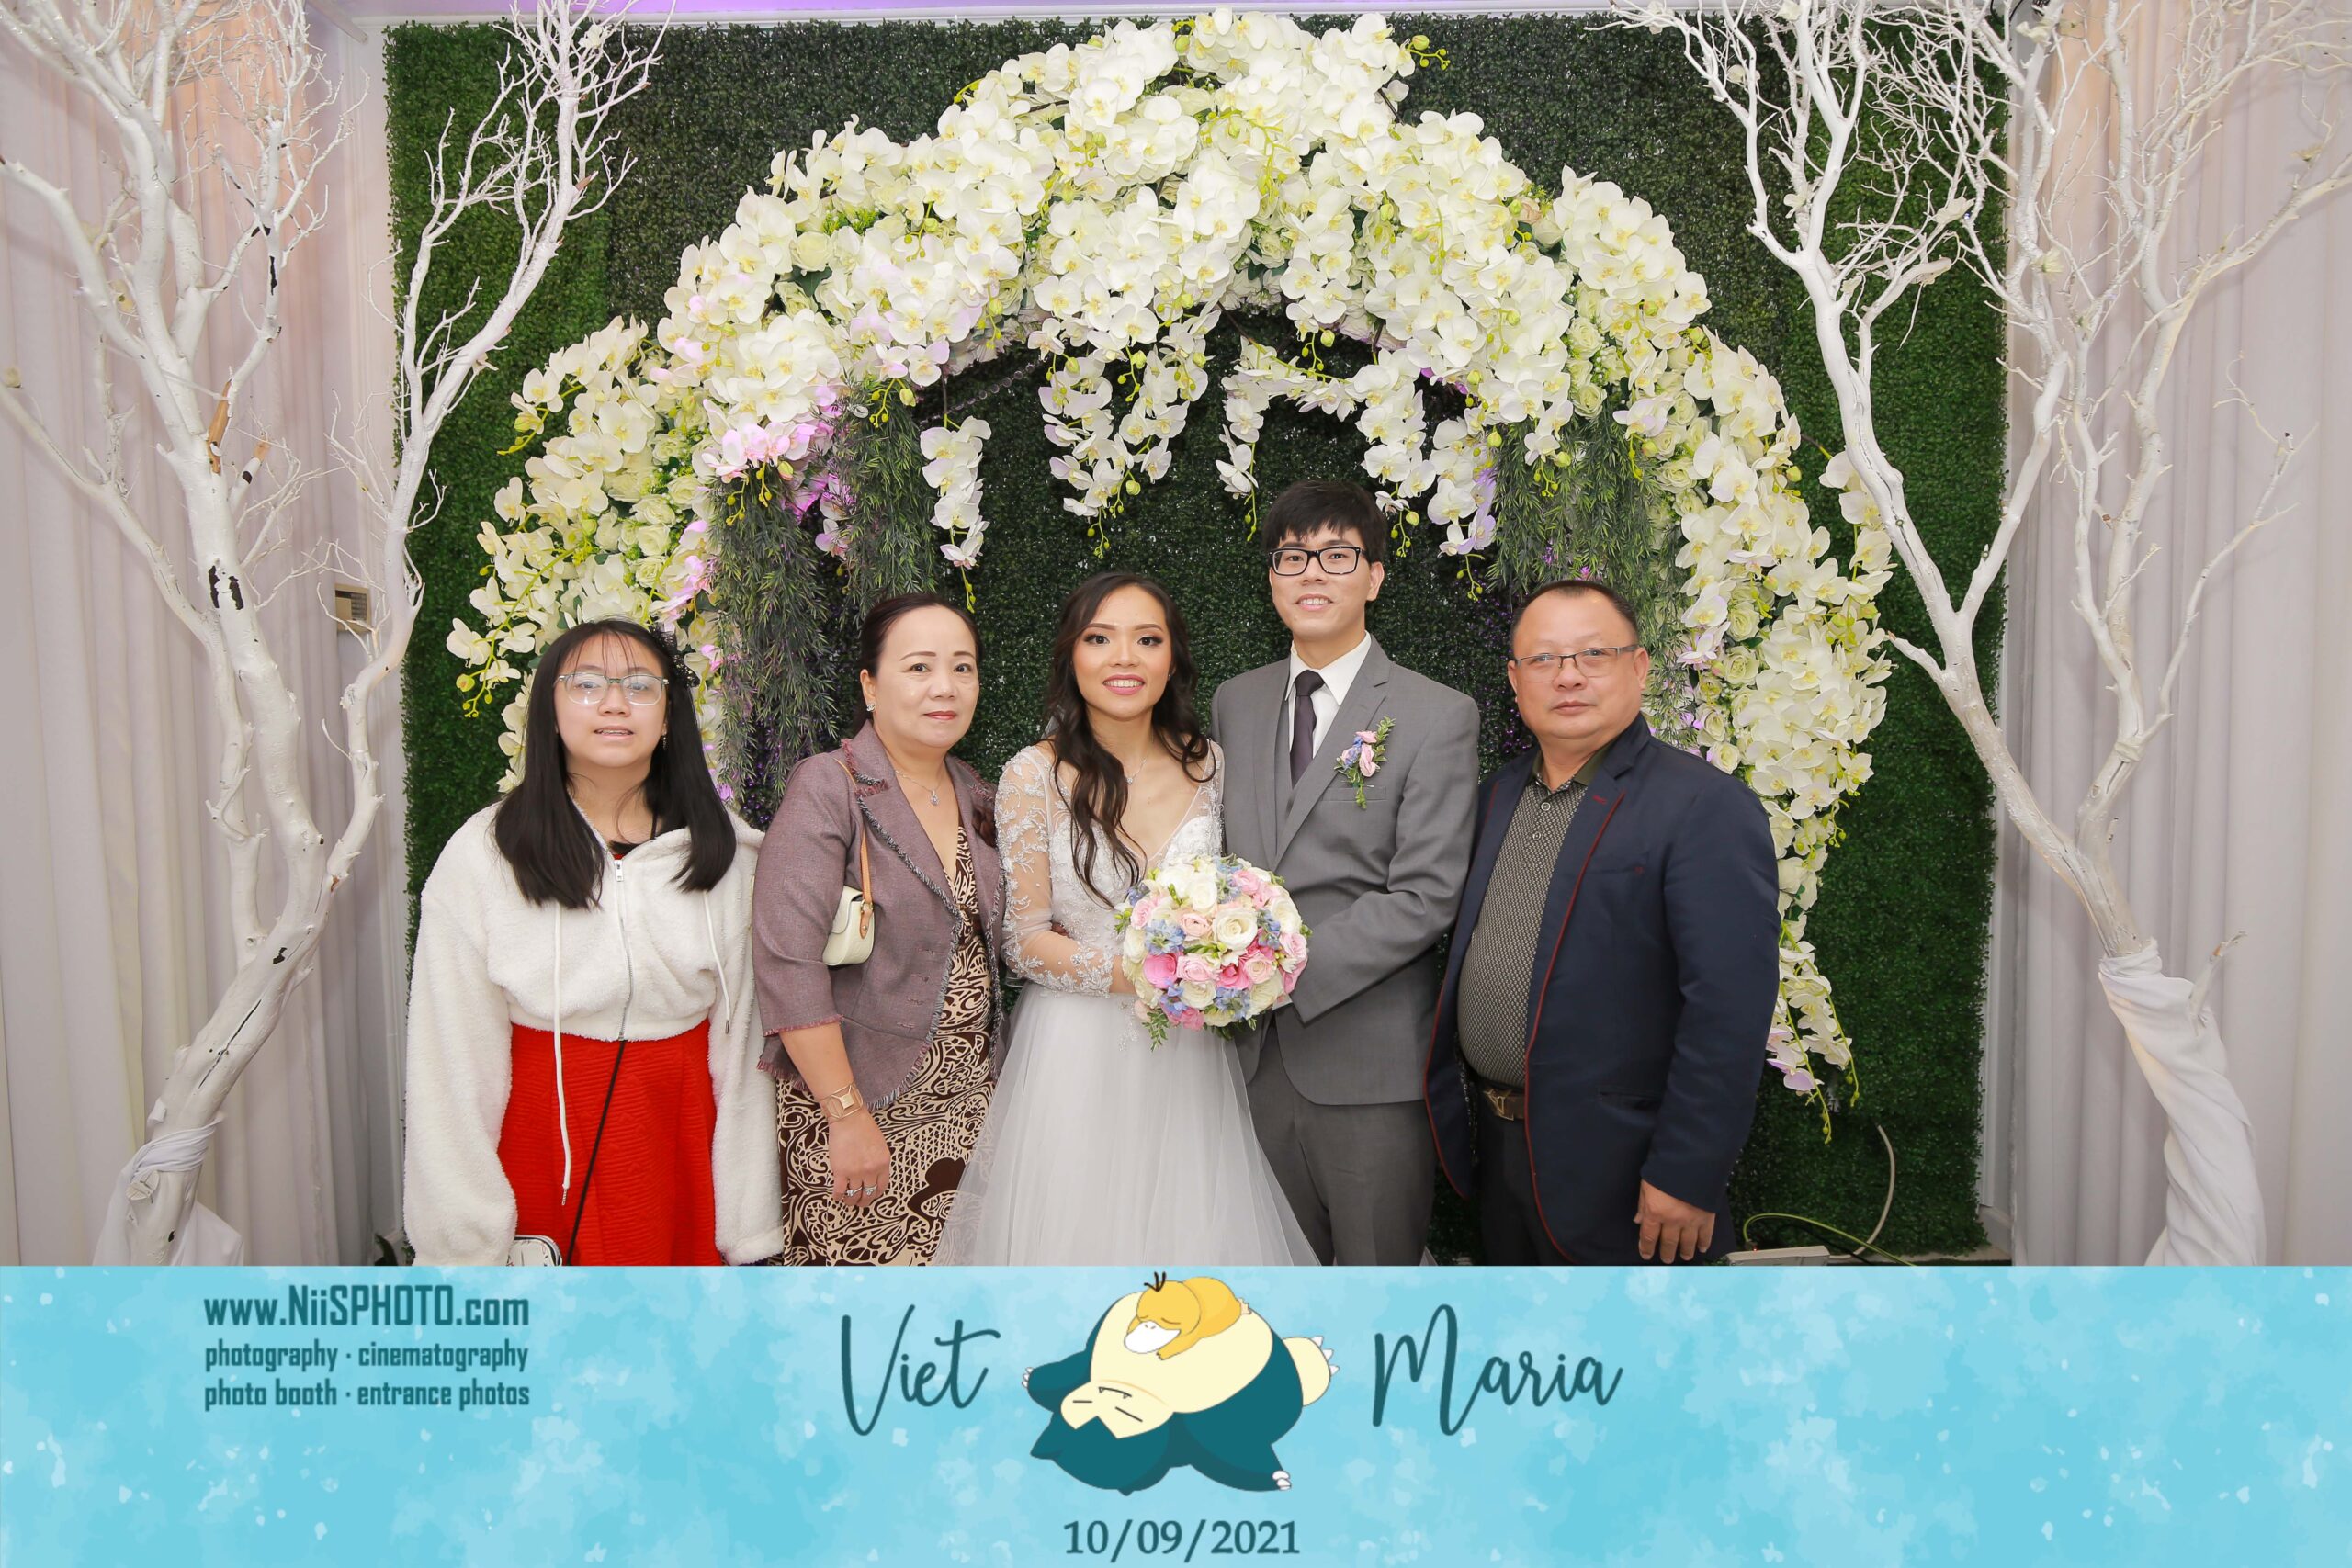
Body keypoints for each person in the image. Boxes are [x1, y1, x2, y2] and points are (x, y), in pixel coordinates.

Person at [935, 573, 1318, 1266]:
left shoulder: (1210, 764)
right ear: (1071, 655)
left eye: (1147, 640)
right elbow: (1024, 941)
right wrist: (1157, 977)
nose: (1124, 658)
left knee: (1193, 1245)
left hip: (1188, 1055)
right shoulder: (1032, 775)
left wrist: (1223, 965)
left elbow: (1235, 890)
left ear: (1173, 659)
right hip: (1074, 1050)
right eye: (1099, 638)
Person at [403, 619, 780, 1266]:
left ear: (670, 716)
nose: (613, 703)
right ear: (549, 711)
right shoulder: (484, 855)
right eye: (586, 684)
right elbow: (449, 1058)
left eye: (639, 685)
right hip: (541, 1137)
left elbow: (744, 1043)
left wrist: (749, 1219)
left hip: (680, 1134)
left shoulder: (728, 855)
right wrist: (462, 1240)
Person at [1424, 580, 1779, 1265]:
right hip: (1500, 1156)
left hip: (1628, 1170)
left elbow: (1728, 1012)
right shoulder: (1496, 796)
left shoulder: (1703, 806)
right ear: (1515, 681)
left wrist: (1686, 1172)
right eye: (1544, 659)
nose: (1569, 677)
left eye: (1594, 654)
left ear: (1639, 667)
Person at [1211, 480, 1480, 1265]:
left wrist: (1277, 967)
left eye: (1336, 556)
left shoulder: (1436, 714)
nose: (1312, 574)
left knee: (1373, 1294)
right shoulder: (1235, 702)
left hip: (1370, 1068)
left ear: (1375, 576)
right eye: (1292, 557)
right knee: (1266, 1294)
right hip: (1248, 1066)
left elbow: (1426, 894)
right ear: (1272, 577)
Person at [752, 593, 1004, 1265]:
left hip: (968, 1105)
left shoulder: (976, 791)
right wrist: (845, 1114)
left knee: (954, 1305)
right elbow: (787, 964)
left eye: (962, 667)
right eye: (919, 667)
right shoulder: (828, 785)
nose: (945, 687)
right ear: (870, 685)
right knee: (857, 1309)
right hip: (862, 1100)